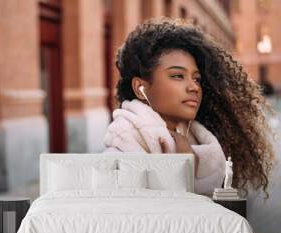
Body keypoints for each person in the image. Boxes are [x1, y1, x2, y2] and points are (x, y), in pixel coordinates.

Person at [104, 18, 275, 198]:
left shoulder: (203, 148)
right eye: (178, 76)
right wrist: (181, 172)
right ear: (141, 88)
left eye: (197, 79)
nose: (194, 87)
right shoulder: (119, 157)